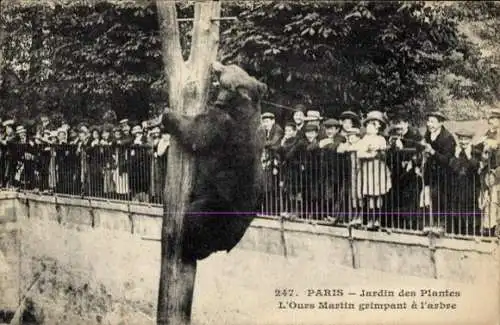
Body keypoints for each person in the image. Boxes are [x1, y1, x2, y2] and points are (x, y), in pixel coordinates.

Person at [419, 111, 456, 232]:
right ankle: (431, 224)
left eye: (432, 122)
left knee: (441, 199)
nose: (429, 124)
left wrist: (432, 152)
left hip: (444, 174)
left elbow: (447, 160)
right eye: (428, 121)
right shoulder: (428, 134)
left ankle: (442, 225)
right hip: (431, 173)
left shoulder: (448, 138)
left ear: (440, 123)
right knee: (429, 198)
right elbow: (423, 146)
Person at [355, 111, 392, 230]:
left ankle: (378, 219)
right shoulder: (364, 139)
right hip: (368, 169)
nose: (375, 127)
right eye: (371, 124)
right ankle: (370, 219)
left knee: (378, 195)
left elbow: (384, 153)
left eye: (377, 124)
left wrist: (380, 151)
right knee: (370, 194)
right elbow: (360, 153)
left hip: (379, 169)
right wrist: (370, 154)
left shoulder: (381, 139)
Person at [448, 129, 482, 235]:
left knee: (471, 211)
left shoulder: (476, 152)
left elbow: (477, 168)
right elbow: (452, 168)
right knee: (458, 212)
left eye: (466, 139)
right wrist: (456, 157)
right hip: (458, 187)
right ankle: (459, 233)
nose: (463, 142)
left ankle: (472, 233)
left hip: (471, 187)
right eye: (461, 139)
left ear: (470, 140)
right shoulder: (457, 152)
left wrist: (469, 156)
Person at [478, 108, 500, 235]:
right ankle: (490, 231)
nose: (491, 121)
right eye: (490, 118)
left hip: (497, 176)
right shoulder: (489, 133)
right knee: (489, 204)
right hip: (489, 178)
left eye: (494, 118)